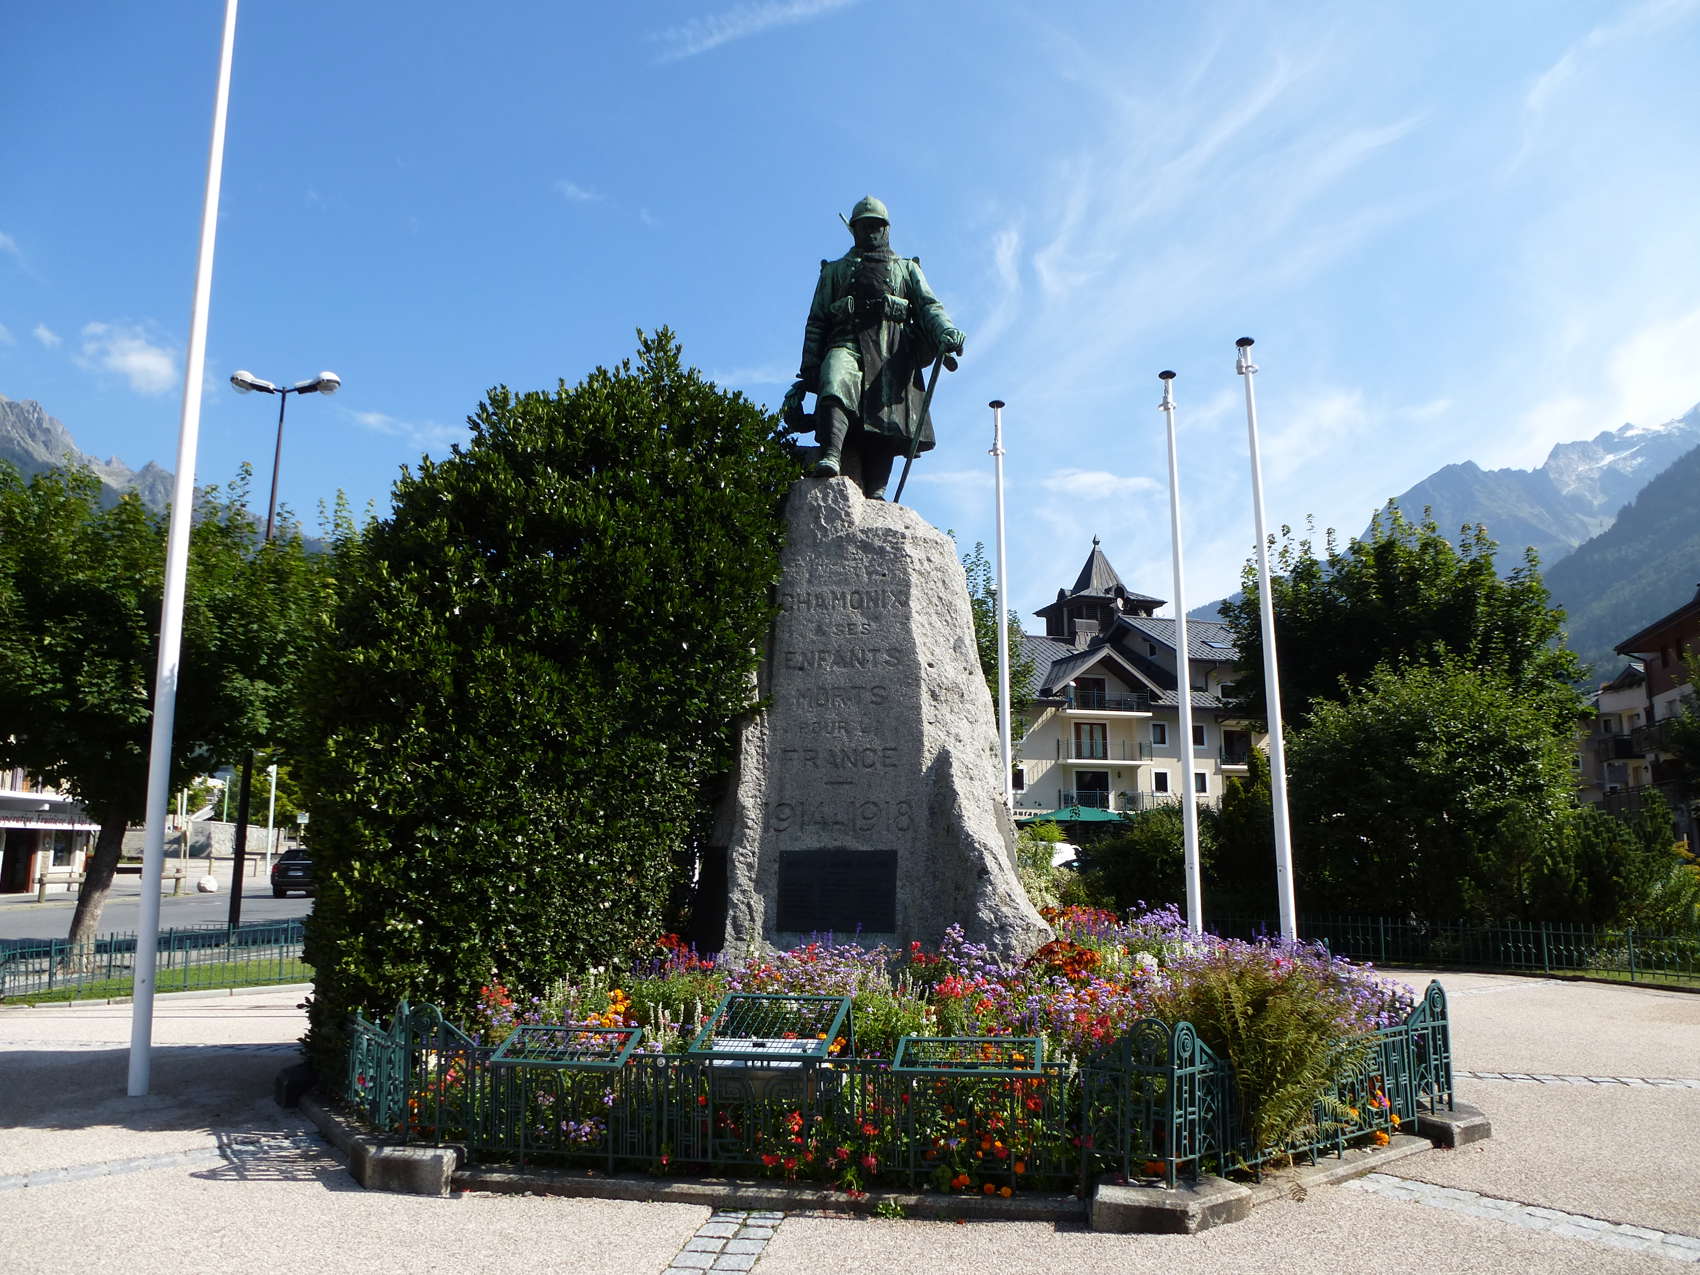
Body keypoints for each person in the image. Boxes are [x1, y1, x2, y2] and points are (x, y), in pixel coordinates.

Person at [781, 197, 964, 500]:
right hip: (846, 341)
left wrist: (946, 330)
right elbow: (816, 321)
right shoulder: (834, 271)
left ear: (887, 229)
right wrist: (811, 365)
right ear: (853, 229)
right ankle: (831, 454)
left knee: (885, 413)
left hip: (890, 350)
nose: (870, 231)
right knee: (835, 377)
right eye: (864, 226)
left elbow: (929, 306)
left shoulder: (906, 269)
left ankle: (878, 490)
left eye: (876, 226)